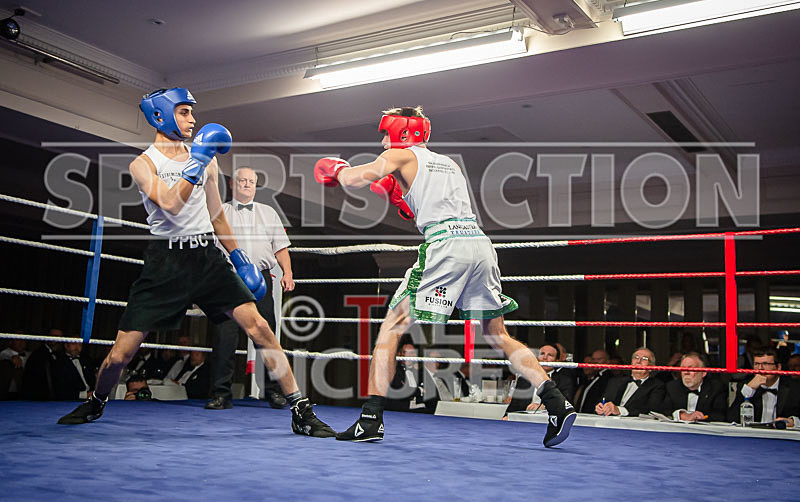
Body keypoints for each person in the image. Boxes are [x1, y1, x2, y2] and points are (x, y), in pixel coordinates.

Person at [57, 88, 334, 437]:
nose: (193, 120)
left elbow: (217, 216)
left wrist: (238, 256)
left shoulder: (208, 159)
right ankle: (96, 401)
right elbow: (170, 205)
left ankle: (299, 407)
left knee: (260, 327)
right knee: (120, 355)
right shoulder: (143, 164)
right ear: (161, 115)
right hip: (166, 260)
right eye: (185, 112)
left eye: (192, 113)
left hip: (206, 256)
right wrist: (196, 162)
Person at [314, 106, 575, 446]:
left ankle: (370, 418)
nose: (382, 141)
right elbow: (420, 203)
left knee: (391, 329)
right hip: (480, 245)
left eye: (385, 134)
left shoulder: (400, 154)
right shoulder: (448, 163)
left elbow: (351, 179)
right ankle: (556, 402)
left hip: (446, 244)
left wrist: (338, 169)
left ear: (403, 133)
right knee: (497, 335)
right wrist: (398, 192)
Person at [206, 166, 294, 410]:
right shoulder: (220, 211)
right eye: (242, 180)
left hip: (261, 279)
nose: (246, 184)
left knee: (267, 335)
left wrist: (288, 272)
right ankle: (221, 394)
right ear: (233, 184)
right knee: (225, 335)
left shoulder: (269, 213)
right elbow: (210, 249)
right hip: (228, 279)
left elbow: (281, 247)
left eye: (251, 181)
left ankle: (275, 392)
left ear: (255, 186)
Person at [728, 347, 800, 427]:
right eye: (756, 364)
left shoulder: (795, 388)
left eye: (765, 364)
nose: (760, 368)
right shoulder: (745, 385)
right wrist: (748, 390)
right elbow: (731, 419)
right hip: (754, 436)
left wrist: (794, 421)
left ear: (778, 367)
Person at [505, 343, 576, 414]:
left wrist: (543, 407)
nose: (545, 358)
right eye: (542, 354)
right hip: (524, 419)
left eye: (550, 355)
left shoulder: (564, 381)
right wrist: (506, 416)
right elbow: (514, 405)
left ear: (557, 360)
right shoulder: (524, 378)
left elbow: (566, 405)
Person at [595, 348, 665, 417]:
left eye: (644, 359)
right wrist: (600, 407)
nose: (638, 361)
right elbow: (603, 400)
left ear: (651, 367)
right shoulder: (614, 382)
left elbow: (651, 410)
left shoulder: (657, 385)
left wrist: (619, 410)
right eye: (636, 357)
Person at [659, 352, 727, 422]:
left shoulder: (716, 388)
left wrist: (700, 417)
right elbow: (662, 410)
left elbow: (720, 415)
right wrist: (681, 415)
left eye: (691, 368)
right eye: (683, 368)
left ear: (703, 373)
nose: (686, 372)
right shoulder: (672, 387)